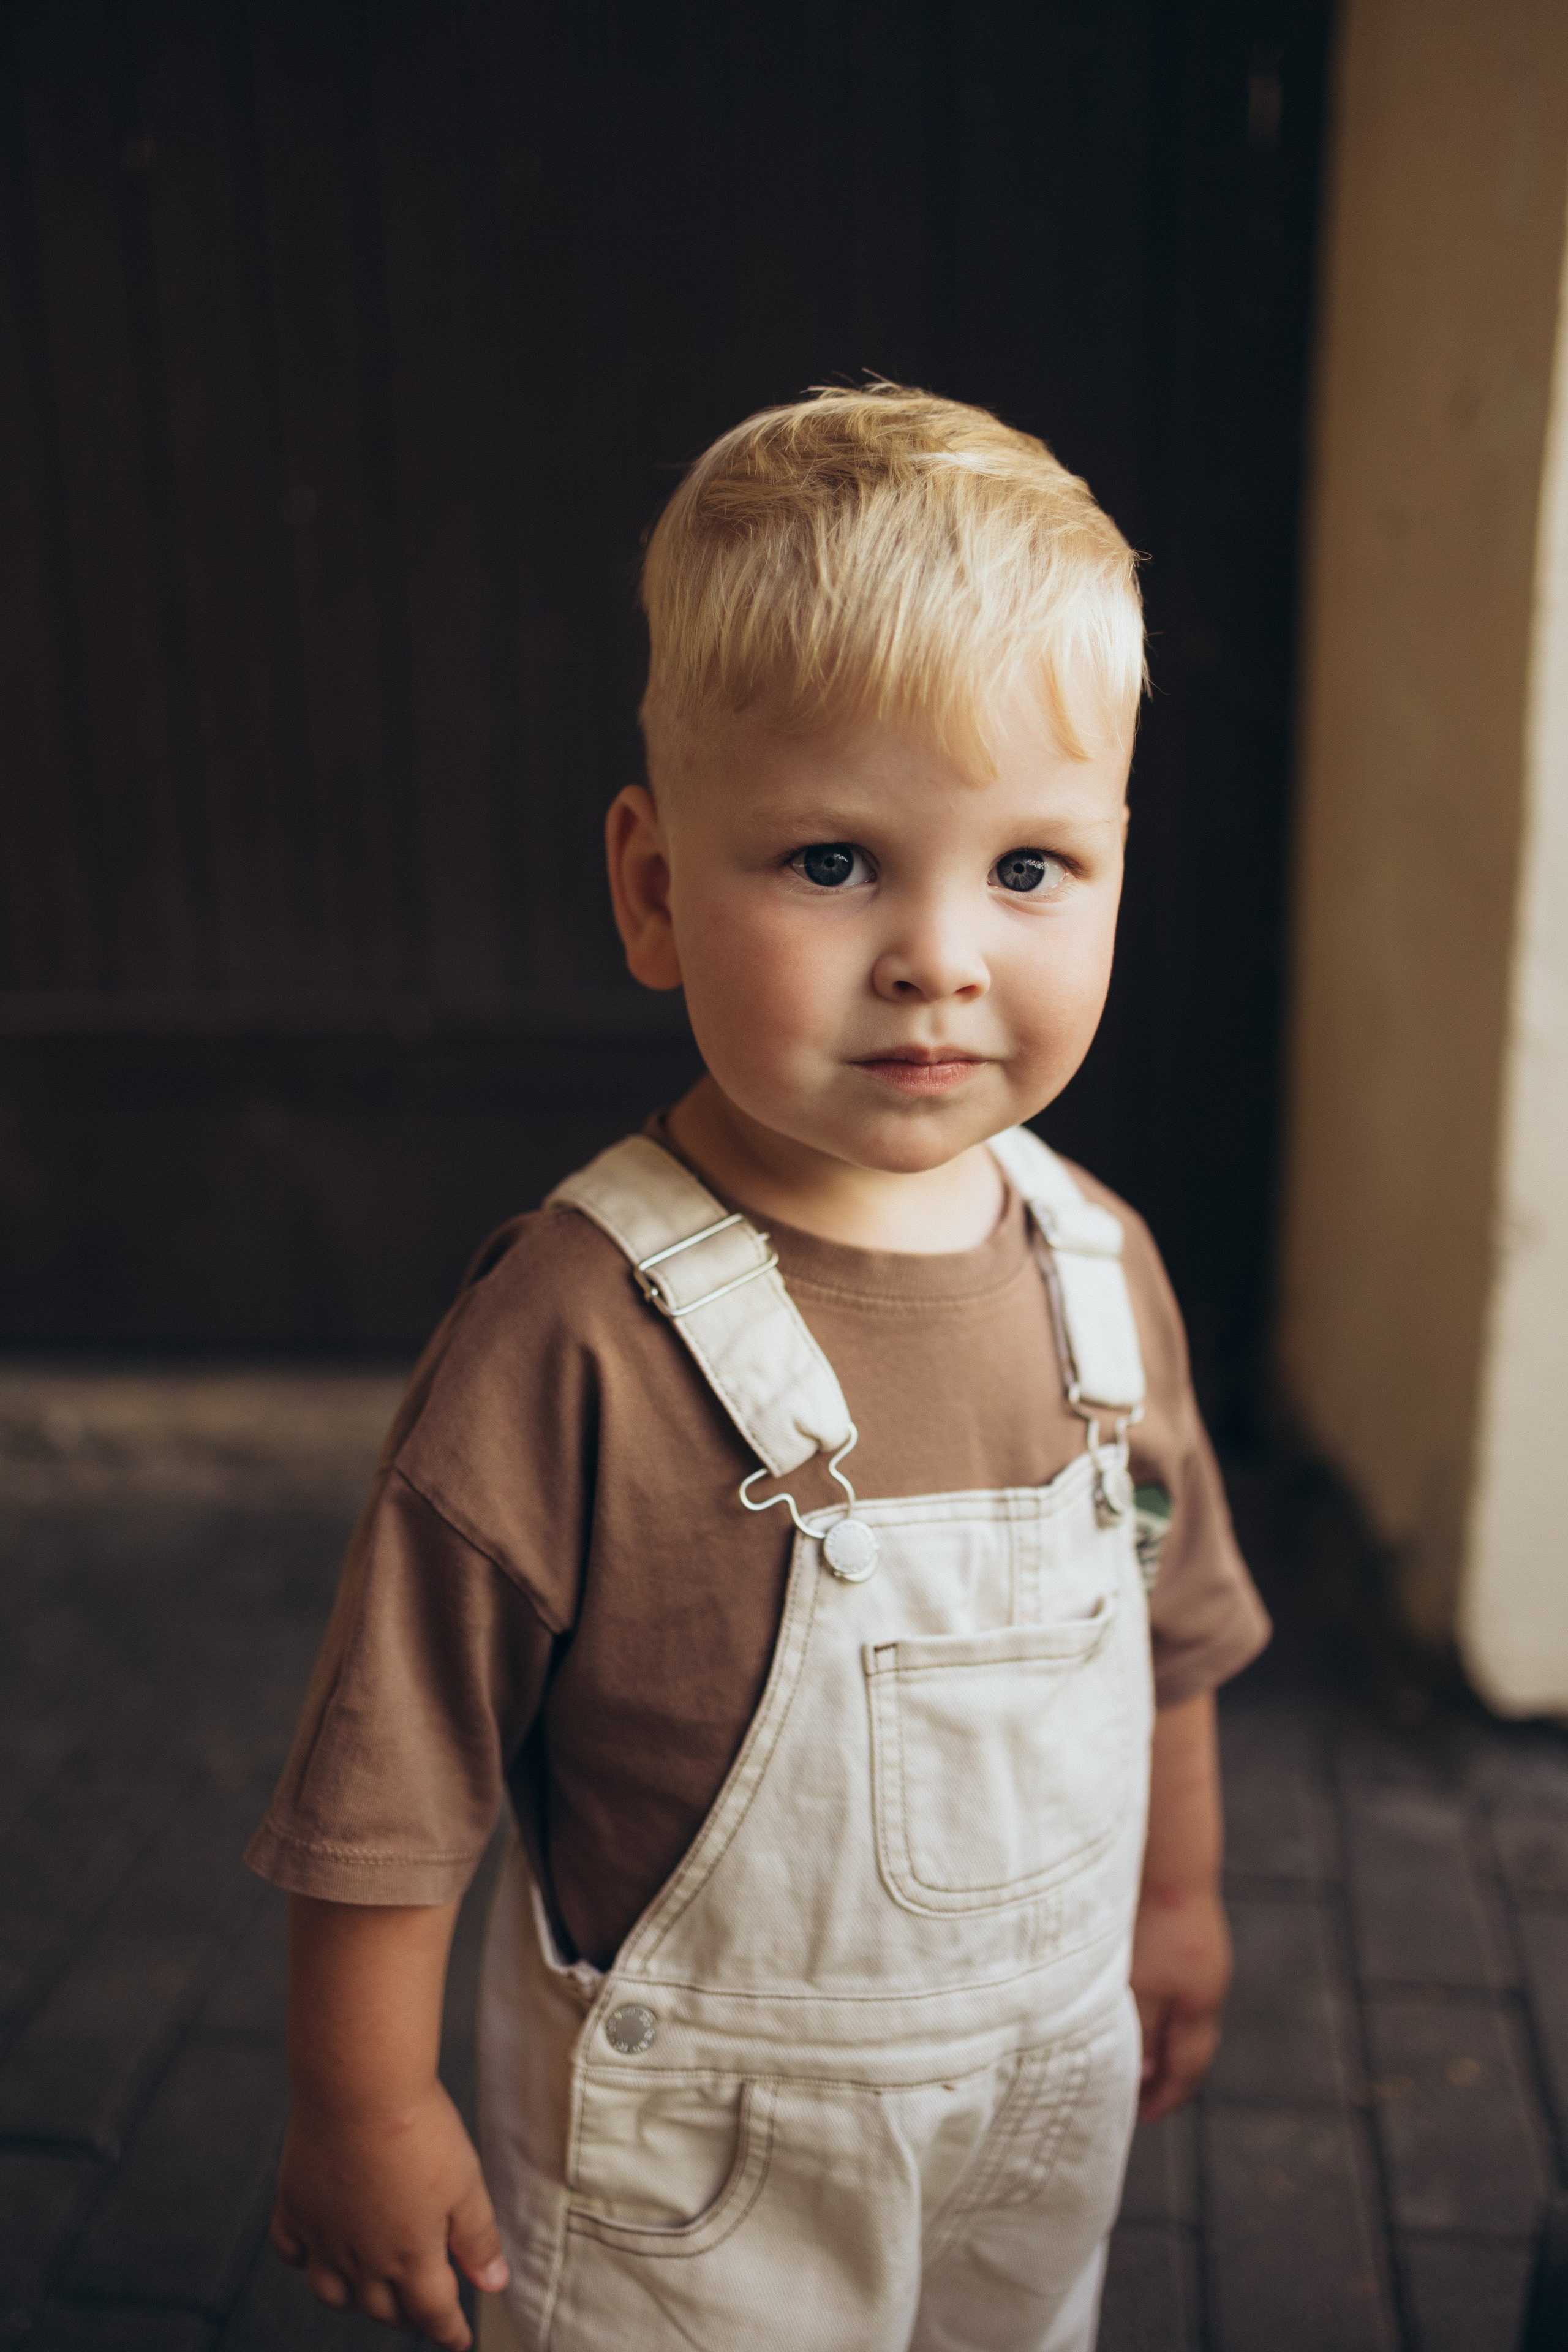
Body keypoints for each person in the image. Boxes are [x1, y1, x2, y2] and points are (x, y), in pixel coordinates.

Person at [247, 383, 1270, 2352]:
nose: (939, 955)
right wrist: (360, 2105)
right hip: (695, 2194)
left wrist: (1178, 1902)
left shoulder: (1097, 1271)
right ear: (650, 887)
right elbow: (397, 1772)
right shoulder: (575, 1329)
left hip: (1035, 2109)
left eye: (1032, 869)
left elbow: (1172, 1629)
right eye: (832, 863)